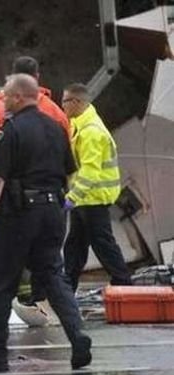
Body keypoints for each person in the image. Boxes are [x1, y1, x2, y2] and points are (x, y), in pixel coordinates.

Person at [0, 74, 92, 373]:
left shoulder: (10, 130)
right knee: (53, 276)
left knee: (1, 281)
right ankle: (78, 337)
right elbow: (69, 173)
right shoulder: (56, 128)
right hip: (53, 212)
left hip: (19, 215)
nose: (3, 102)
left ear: (20, 97)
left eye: (6, 97)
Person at [61, 83, 133, 292]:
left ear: (76, 102)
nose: (62, 105)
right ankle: (66, 287)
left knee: (102, 244)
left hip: (92, 198)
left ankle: (124, 285)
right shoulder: (82, 125)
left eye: (65, 101)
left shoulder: (90, 132)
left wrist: (72, 196)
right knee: (75, 246)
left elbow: (91, 171)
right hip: (87, 199)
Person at [0, 56, 70, 156]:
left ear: (13, 77)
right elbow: (66, 147)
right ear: (37, 77)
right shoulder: (55, 111)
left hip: (9, 167)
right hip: (46, 167)